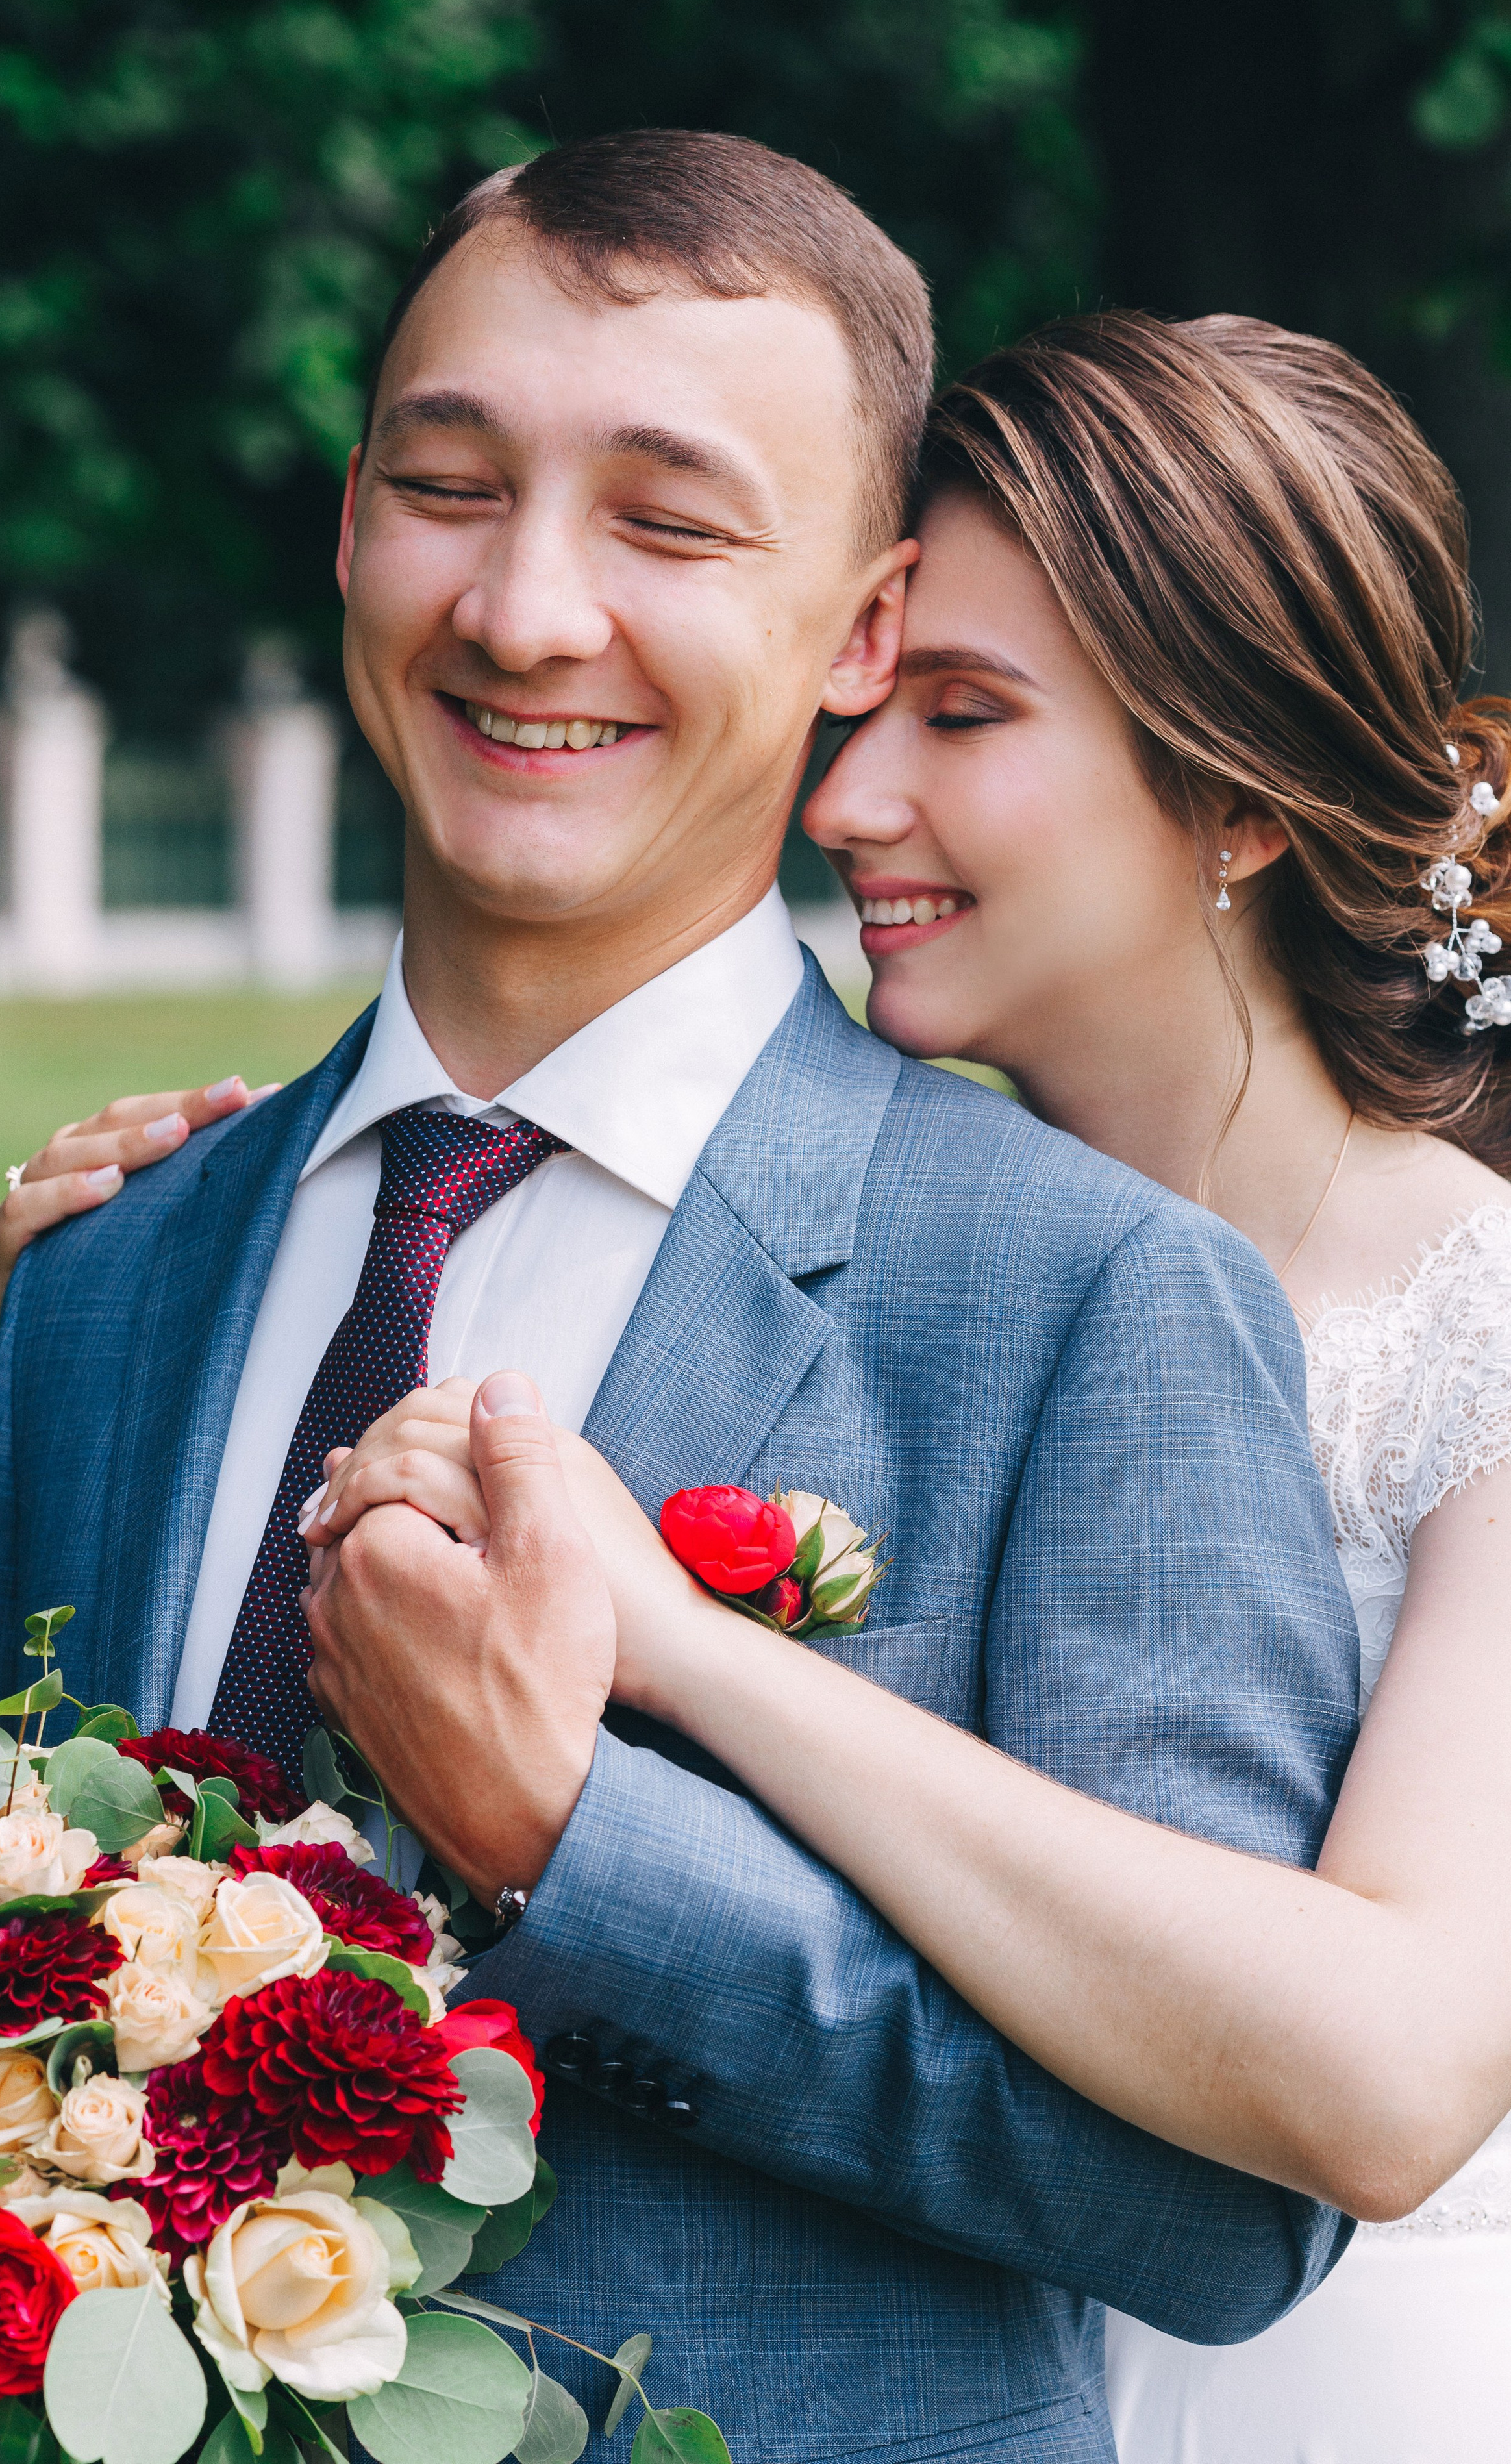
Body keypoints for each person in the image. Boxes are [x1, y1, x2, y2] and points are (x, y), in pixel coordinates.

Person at [0, 146, 1360, 2463]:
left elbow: (1226, 2211)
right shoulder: (104, 1280)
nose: (524, 610)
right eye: (448, 485)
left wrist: (574, 1851)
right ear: (349, 521)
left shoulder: (1091, 1302)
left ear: (865, 627)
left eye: (670, 529)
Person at [290, 312, 1511, 2463]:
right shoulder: (810, 1250)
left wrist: (683, 1656)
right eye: (869, 702)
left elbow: (1396, 2074)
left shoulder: (1483, 1328)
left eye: (964, 713)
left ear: (1232, 797)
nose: (846, 800)